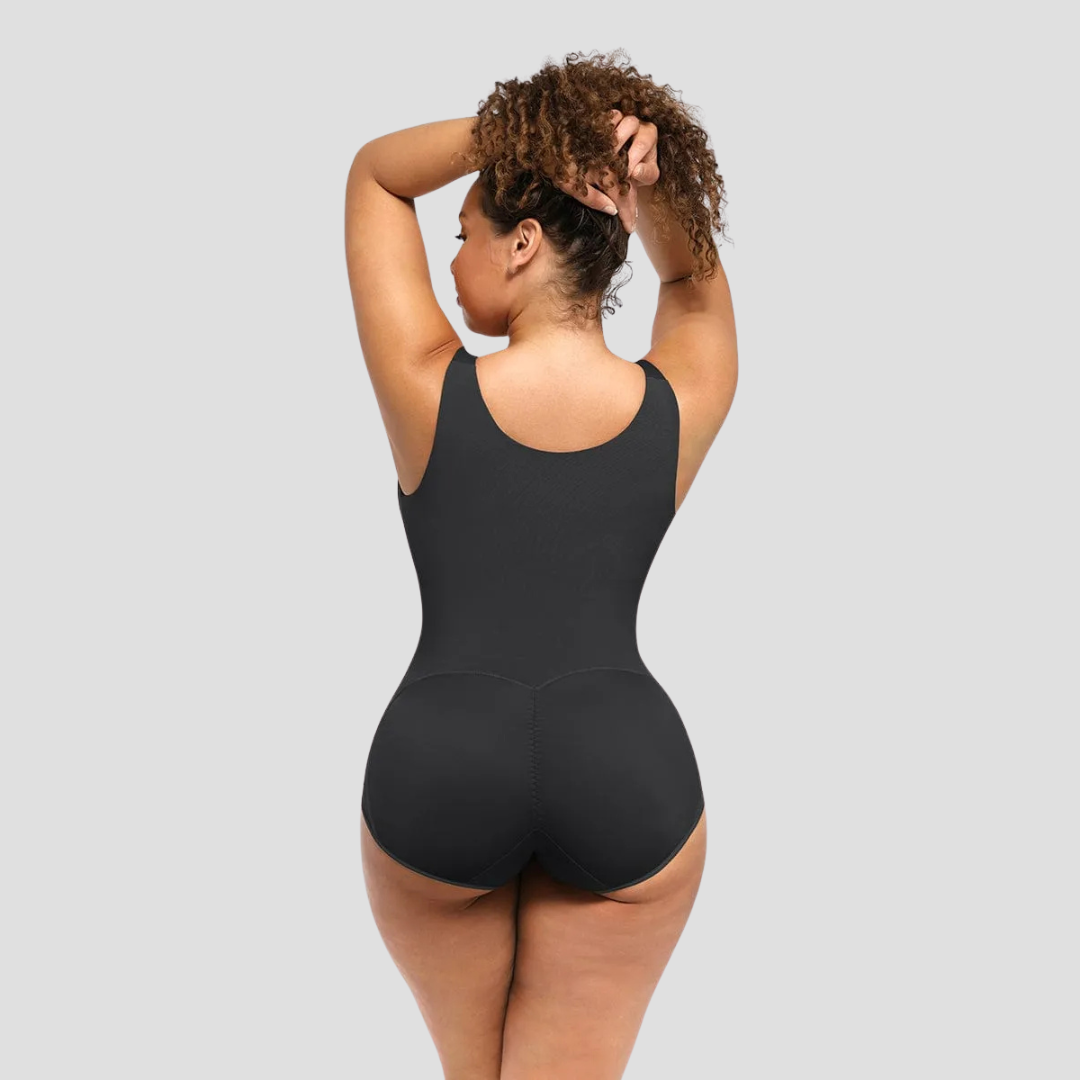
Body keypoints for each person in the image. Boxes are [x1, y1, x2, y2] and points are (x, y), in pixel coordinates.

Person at [344, 49, 737, 1080]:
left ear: (522, 242)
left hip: (441, 761)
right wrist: (644, 174)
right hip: (625, 767)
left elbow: (377, 175)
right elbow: (691, 283)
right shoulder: (678, 404)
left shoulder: (427, 391)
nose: (452, 260)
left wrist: (524, 133)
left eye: (464, 234)